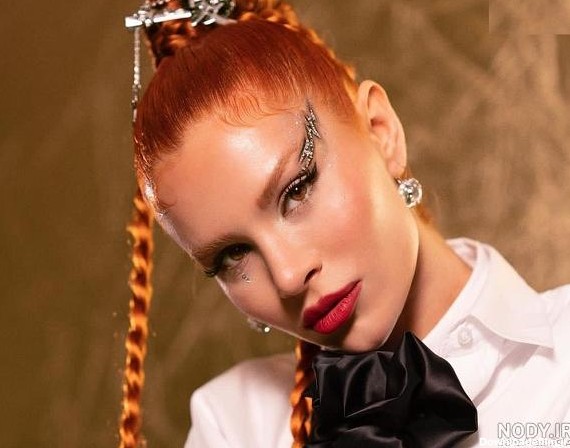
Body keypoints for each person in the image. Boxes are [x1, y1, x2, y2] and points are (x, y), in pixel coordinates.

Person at [117, 1, 570, 447]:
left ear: (381, 130)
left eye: (297, 189)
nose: (288, 276)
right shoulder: (235, 425)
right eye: (232, 255)